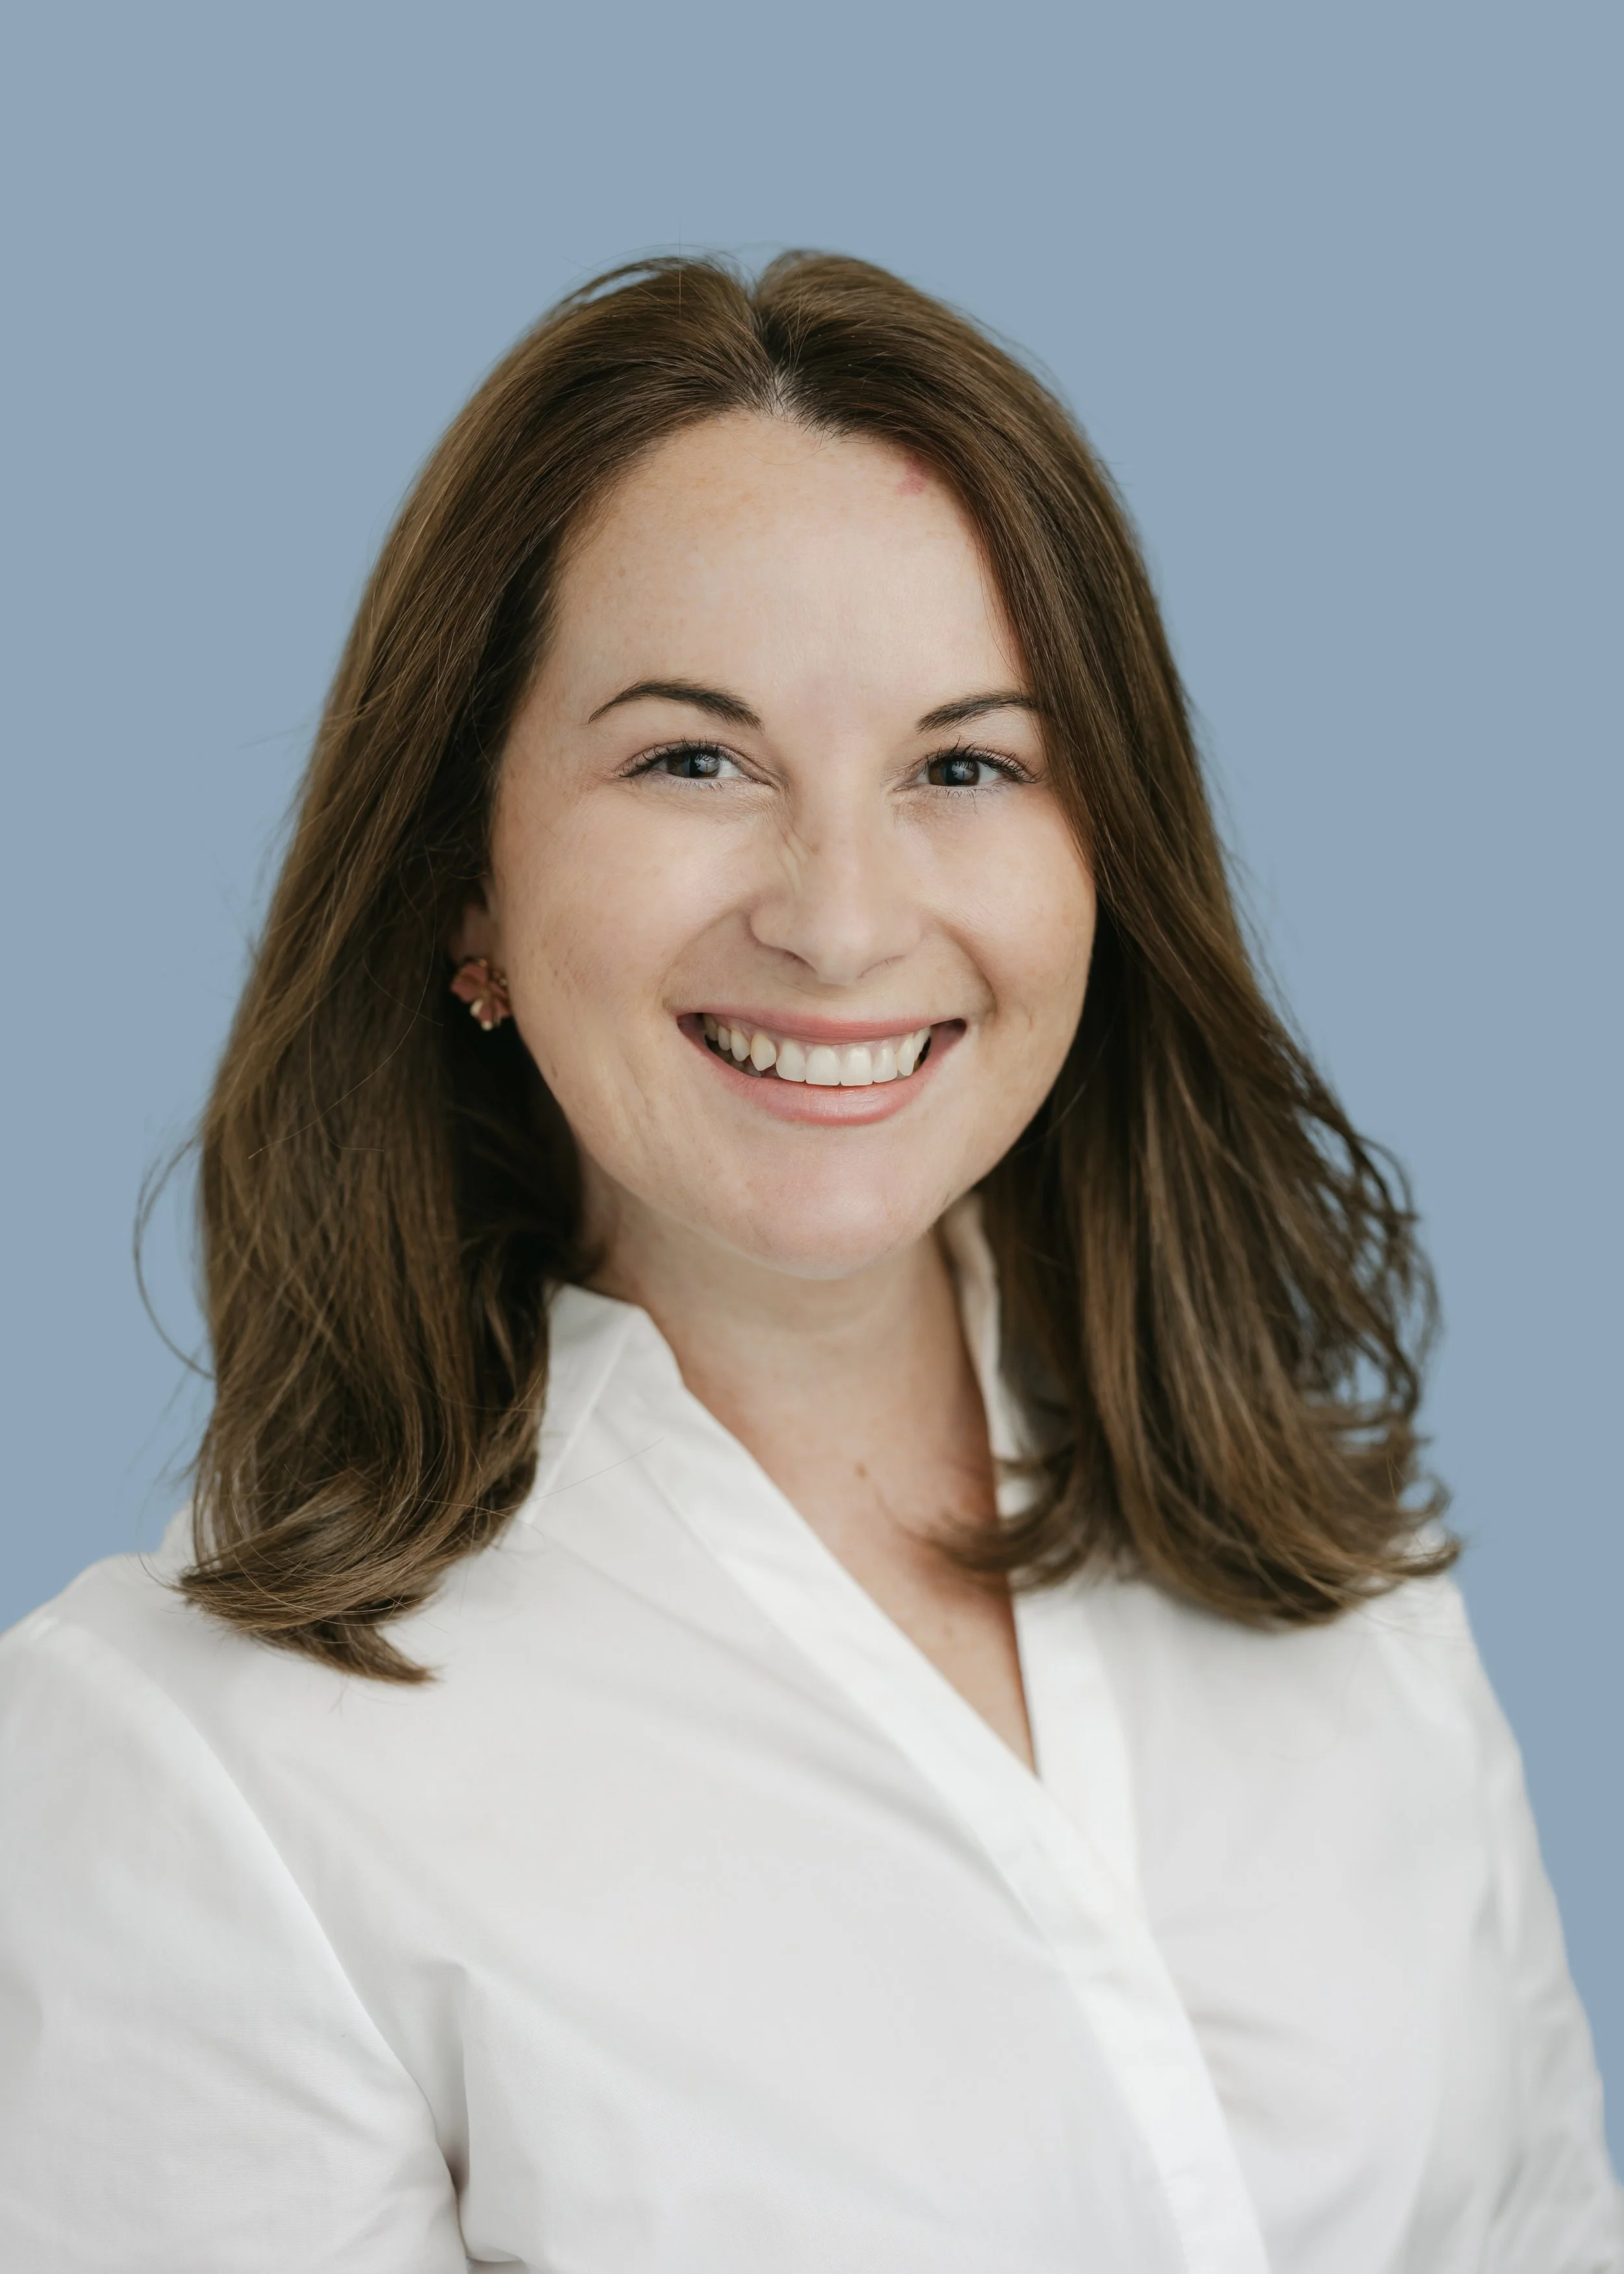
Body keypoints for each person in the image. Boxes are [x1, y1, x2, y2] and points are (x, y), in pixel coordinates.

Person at [0, 253, 1616, 2274]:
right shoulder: (192, 1771)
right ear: (461, 888)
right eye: (694, 758)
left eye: (966, 765)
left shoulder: (1342, 1585)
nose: (841, 922)